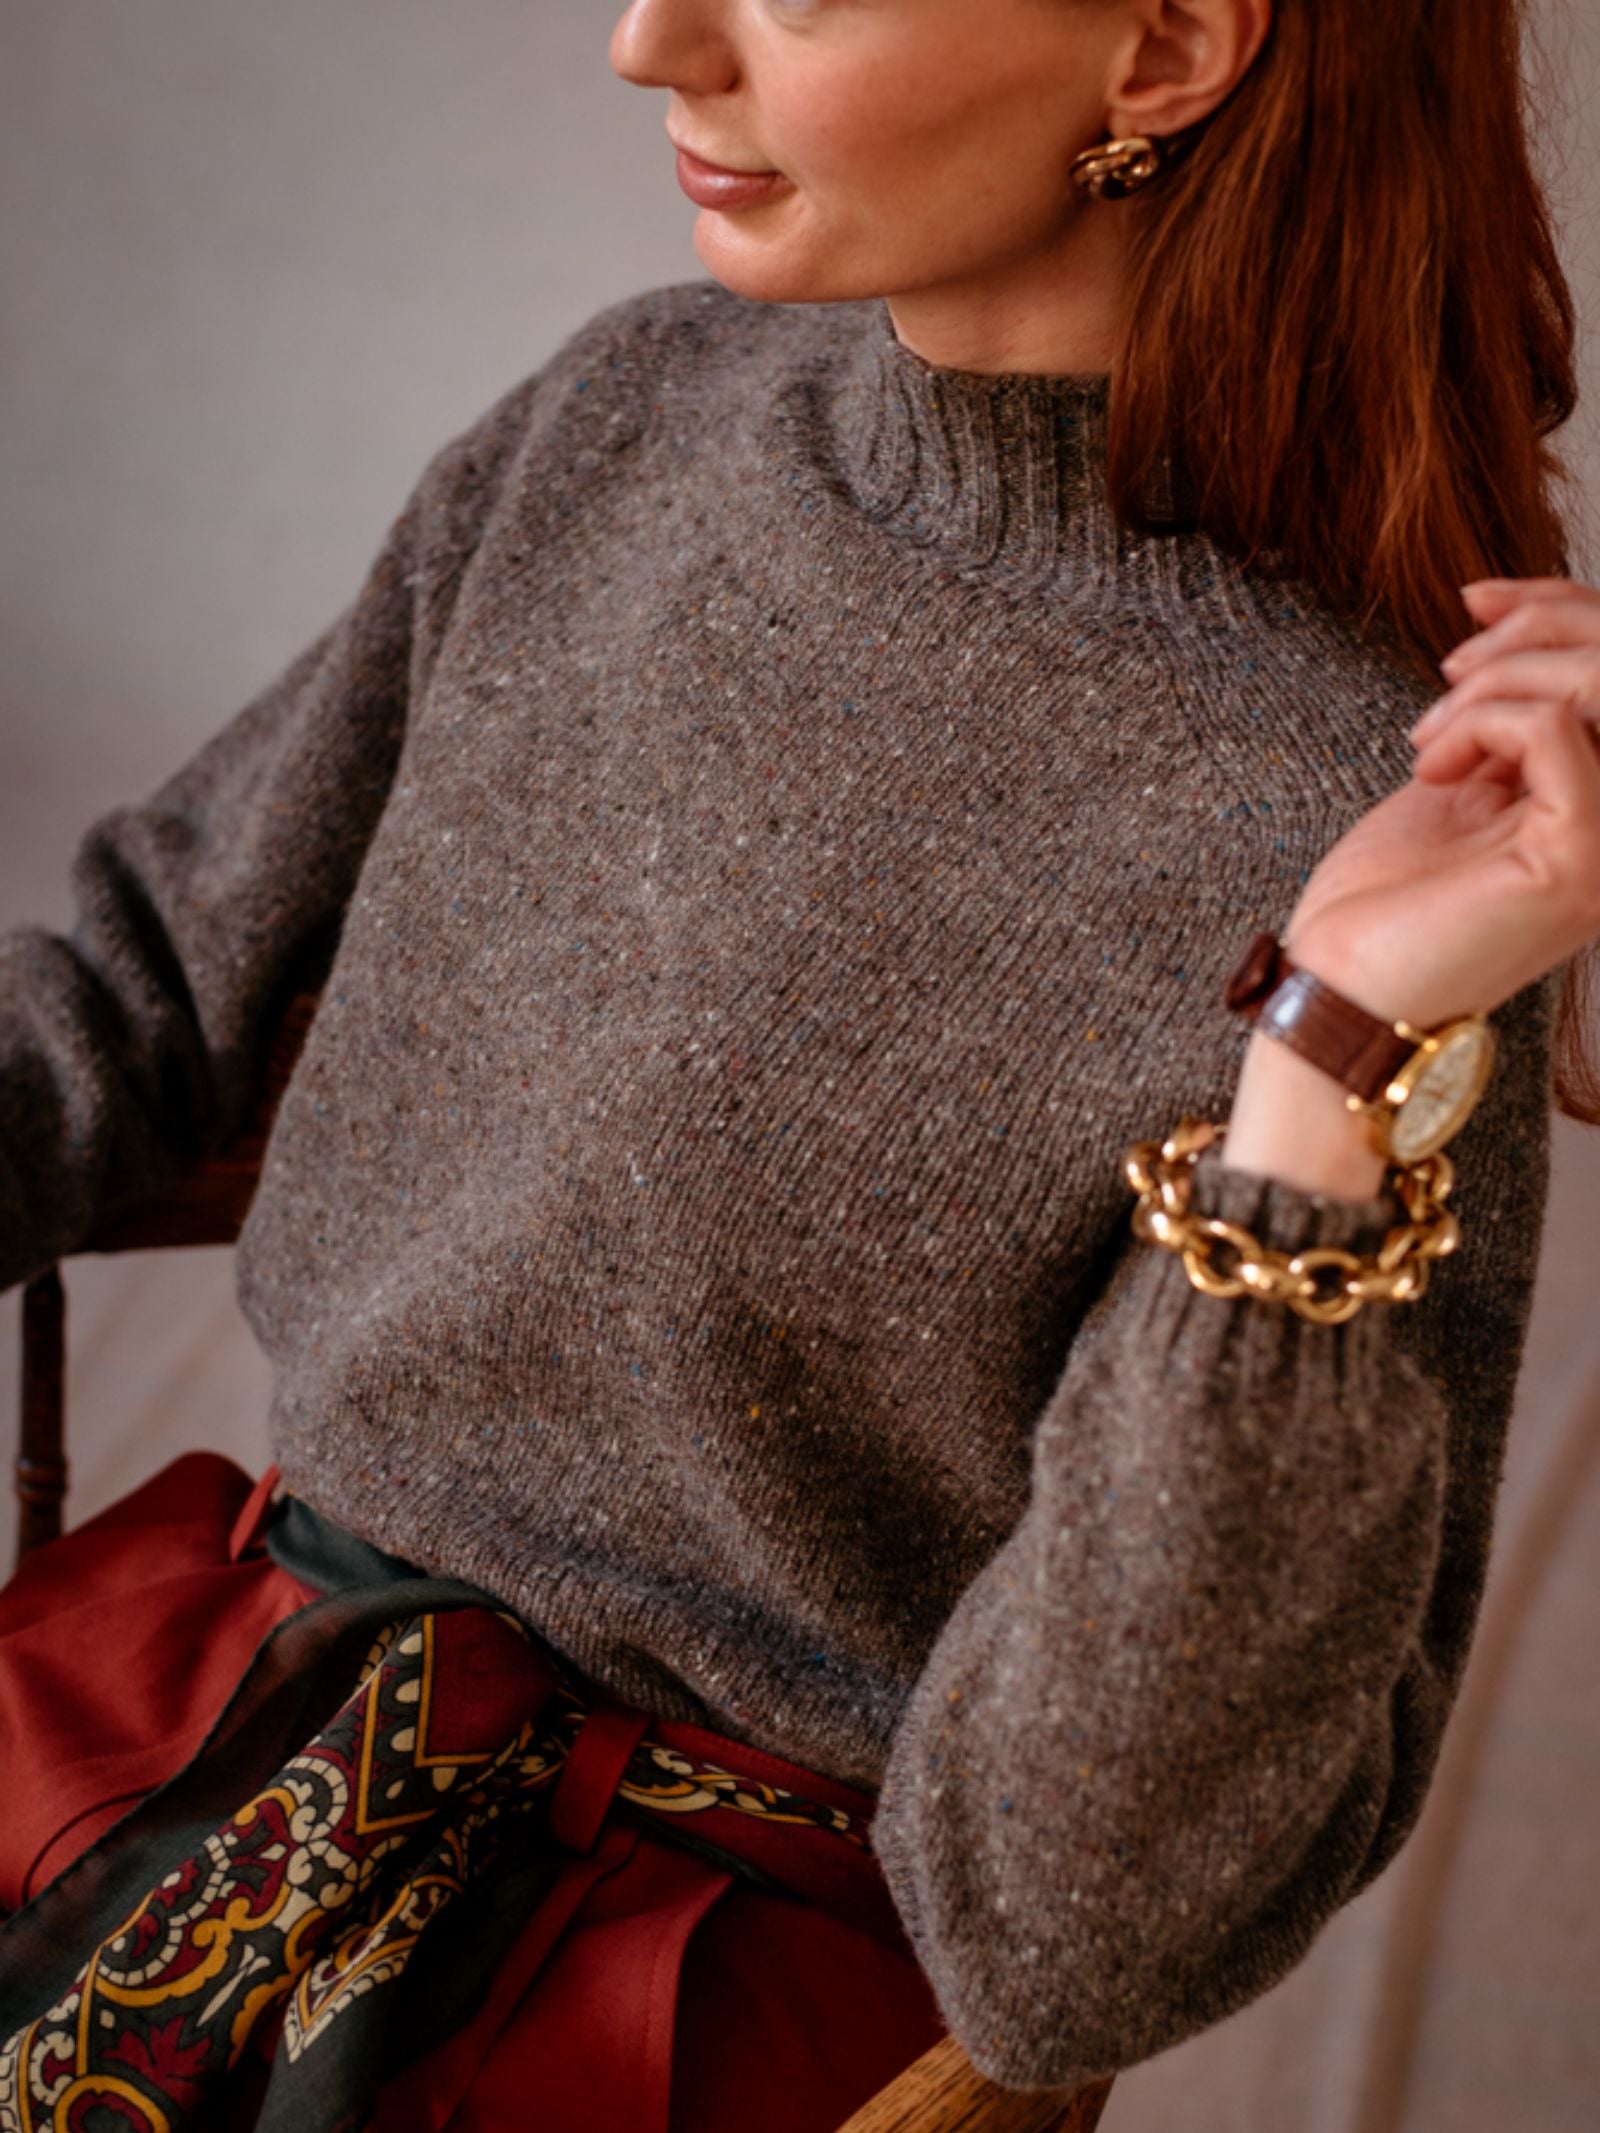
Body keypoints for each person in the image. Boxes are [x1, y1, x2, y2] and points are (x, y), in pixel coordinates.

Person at [0, 0, 1595, 2126]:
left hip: (681, 2005)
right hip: (160, 1731)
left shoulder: (1383, 823)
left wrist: (1326, 1052)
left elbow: (1066, 1944)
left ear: (1165, 51)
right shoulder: (626, 418)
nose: (646, 41)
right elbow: (136, 984)